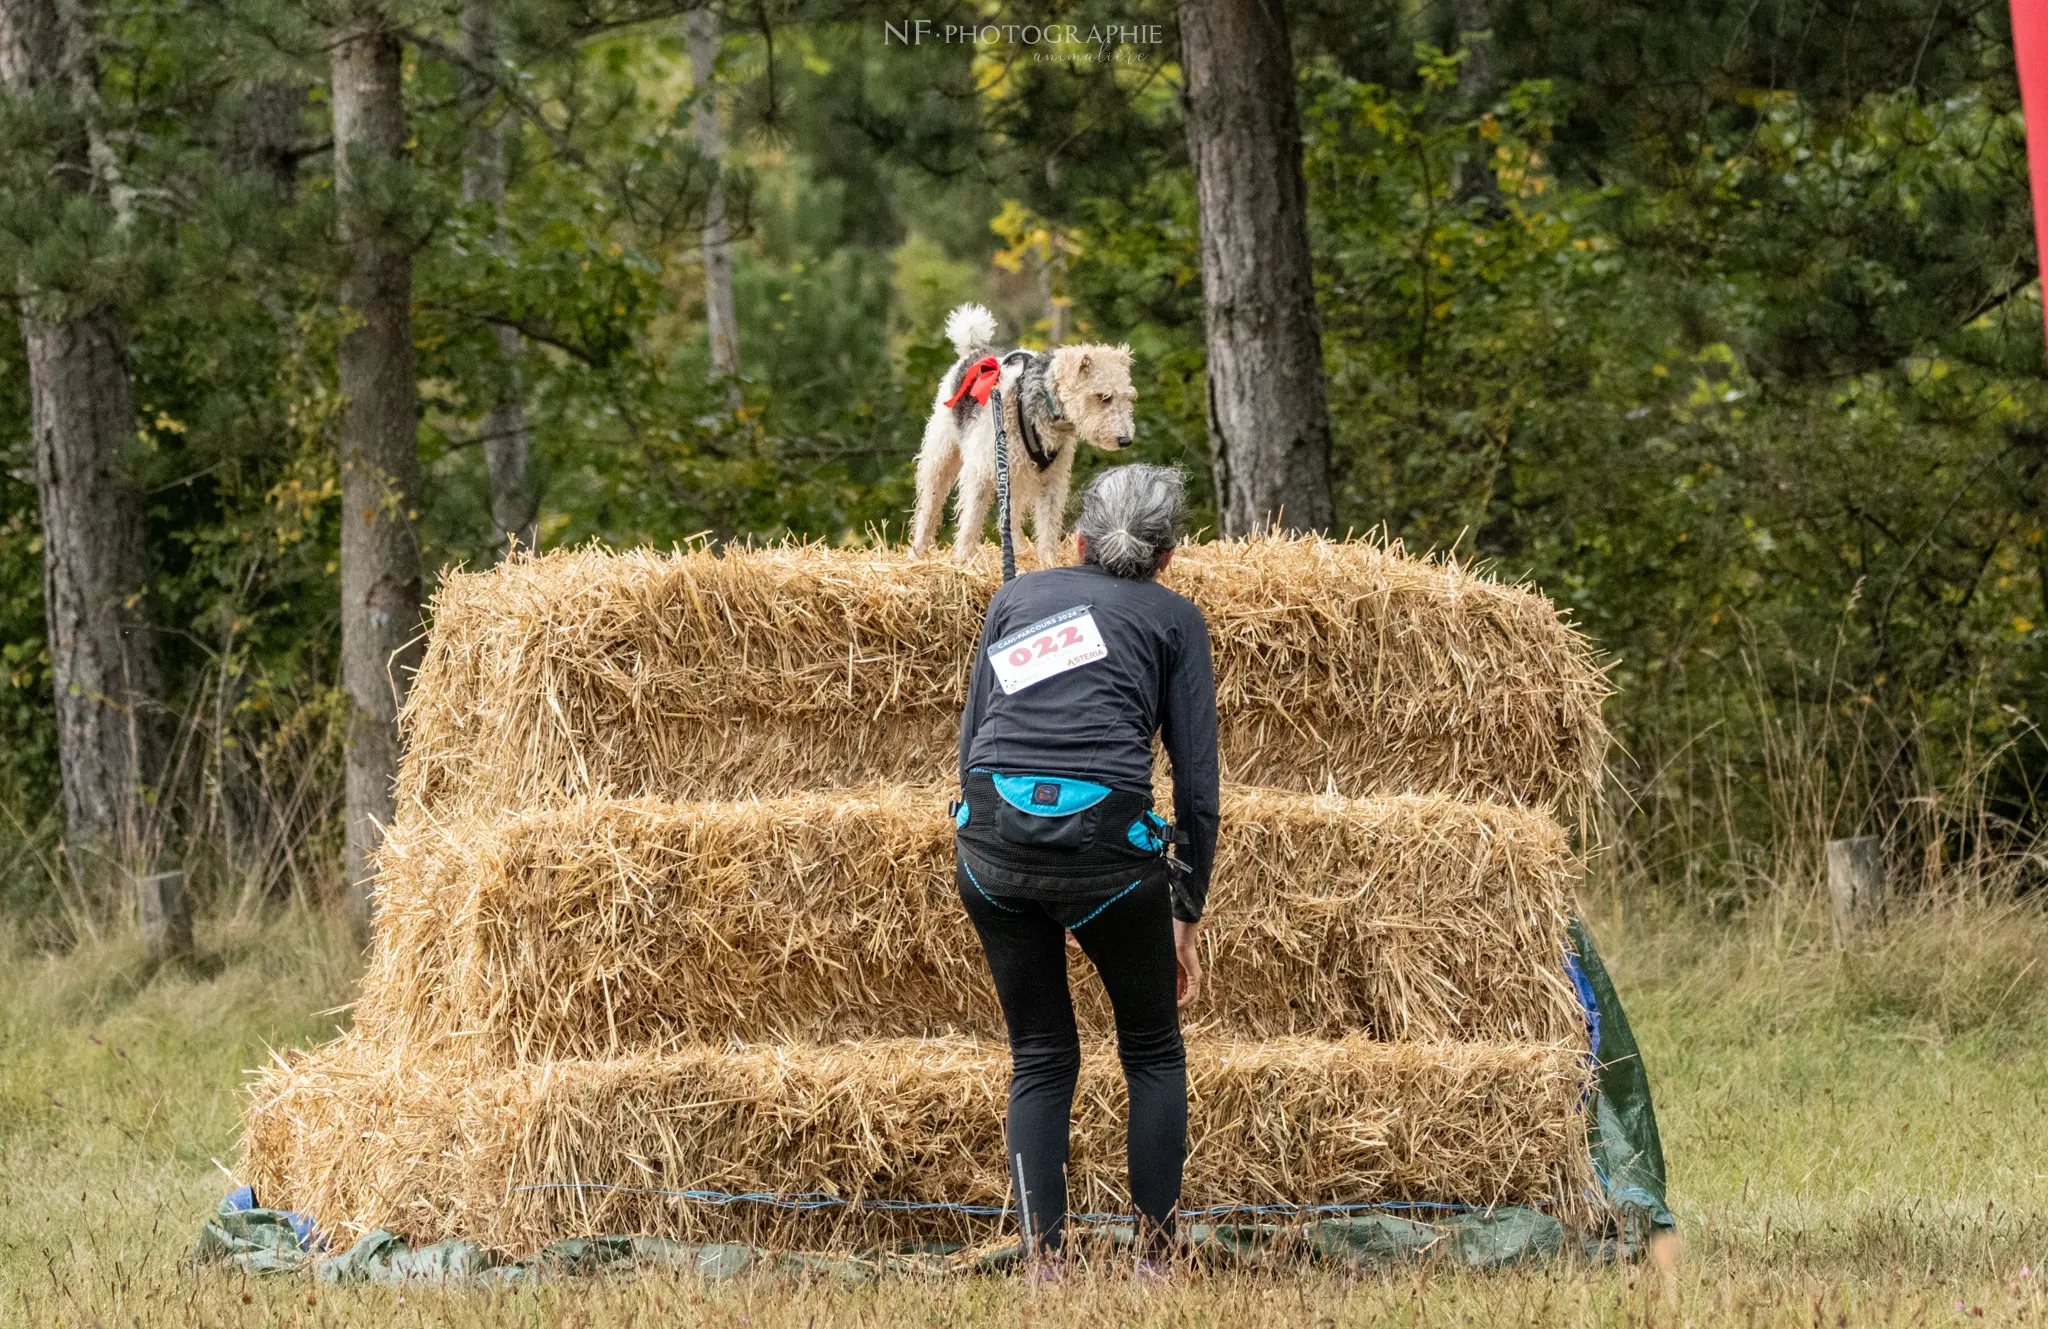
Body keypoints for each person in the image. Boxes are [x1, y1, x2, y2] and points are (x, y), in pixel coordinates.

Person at [951, 463, 1220, 1278]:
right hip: (1108, 859)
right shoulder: (1176, 618)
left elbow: (970, 746)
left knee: (1039, 1052)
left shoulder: (1017, 598)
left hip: (992, 849)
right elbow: (1198, 786)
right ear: (1169, 555)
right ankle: (1155, 1260)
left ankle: (1044, 1263)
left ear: (1076, 539)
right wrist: (1185, 908)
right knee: (1151, 1048)